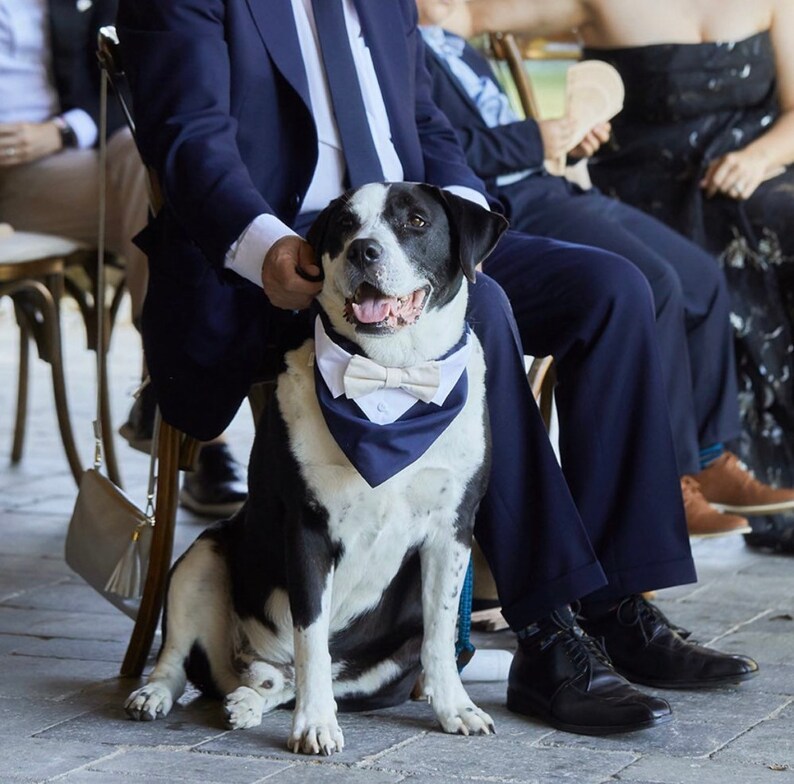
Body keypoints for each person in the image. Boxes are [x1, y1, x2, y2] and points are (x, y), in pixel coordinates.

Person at [116, 0, 757, 737]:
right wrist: (265, 247)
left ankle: (615, 606)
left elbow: (423, 125)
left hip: (415, 233)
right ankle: (548, 638)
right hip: (281, 251)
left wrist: (461, 226)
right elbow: (187, 137)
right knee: (486, 315)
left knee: (614, 292)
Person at [417, 0, 794, 540]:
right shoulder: (404, 46)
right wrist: (534, 138)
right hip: (513, 203)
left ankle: (712, 457)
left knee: (702, 279)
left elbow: (490, 120)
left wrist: (562, 140)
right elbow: (443, 148)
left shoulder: (455, 47)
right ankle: (673, 483)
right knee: (657, 284)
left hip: (550, 181)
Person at [0, 0, 245, 516]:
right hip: (13, 183)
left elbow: (121, 82)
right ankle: (193, 421)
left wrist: (62, 130)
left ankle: (169, 386)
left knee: (157, 170)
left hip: (56, 161)